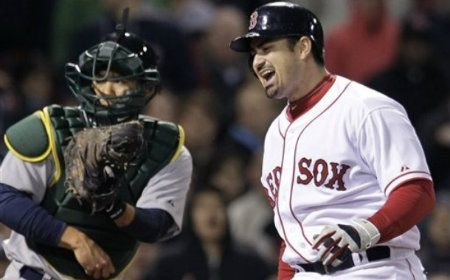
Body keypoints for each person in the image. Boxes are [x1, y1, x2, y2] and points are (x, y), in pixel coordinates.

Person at [229, 2, 435, 279]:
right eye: (254, 53)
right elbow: (292, 236)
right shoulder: (276, 133)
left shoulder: (366, 108)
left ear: (303, 48)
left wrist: (366, 229)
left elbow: (417, 191)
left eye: (266, 49)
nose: (257, 62)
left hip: (375, 268)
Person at [0, 25, 192, 280]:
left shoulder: (167, 148)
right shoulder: (50, 127)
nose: (108, 89)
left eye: (121, 79)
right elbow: (5, 198)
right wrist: (72, 238)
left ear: (146, 87)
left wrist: (114, 207)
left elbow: (157, 226)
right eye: (100, 77)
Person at [145, 187, 274, 280]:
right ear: (190, 216)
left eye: (218, 207)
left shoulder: (250, 263)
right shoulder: (169, 264)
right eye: (203, 207)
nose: (211, 214)